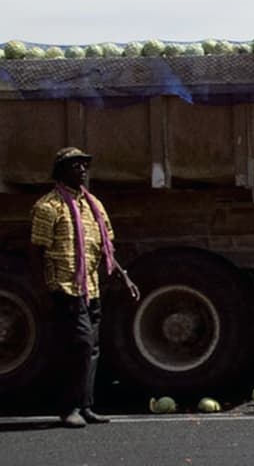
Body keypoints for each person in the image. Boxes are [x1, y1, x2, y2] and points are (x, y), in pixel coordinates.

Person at [29, 147, 134, 428]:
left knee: (92, 348)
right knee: (78, 345)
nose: (83, 171)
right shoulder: (49, 206)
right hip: (64, 287)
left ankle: (85, 405)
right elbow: (36, 251)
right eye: (76, 166)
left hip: (91, 288)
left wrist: (124, 276)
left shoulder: (93, 206)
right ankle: (67, 408)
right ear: (61, 171)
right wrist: (42, 289)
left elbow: (105, 246)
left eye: (85, 166)